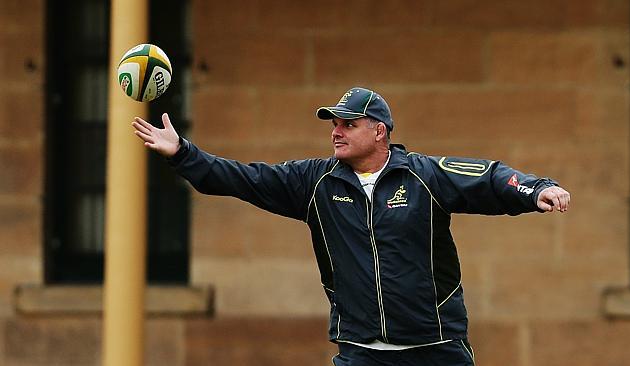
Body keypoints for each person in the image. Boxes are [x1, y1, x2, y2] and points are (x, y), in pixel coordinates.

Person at [132, 87, 570, 366]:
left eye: (349, 124)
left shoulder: (425, 175)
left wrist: (535, 190)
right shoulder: (314, 181)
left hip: (436, 350)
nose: (336, 132)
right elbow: (245, 179)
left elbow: (489, 176)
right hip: (361, 353)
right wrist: (182, 154)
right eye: (334, 124)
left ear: (380, 132)